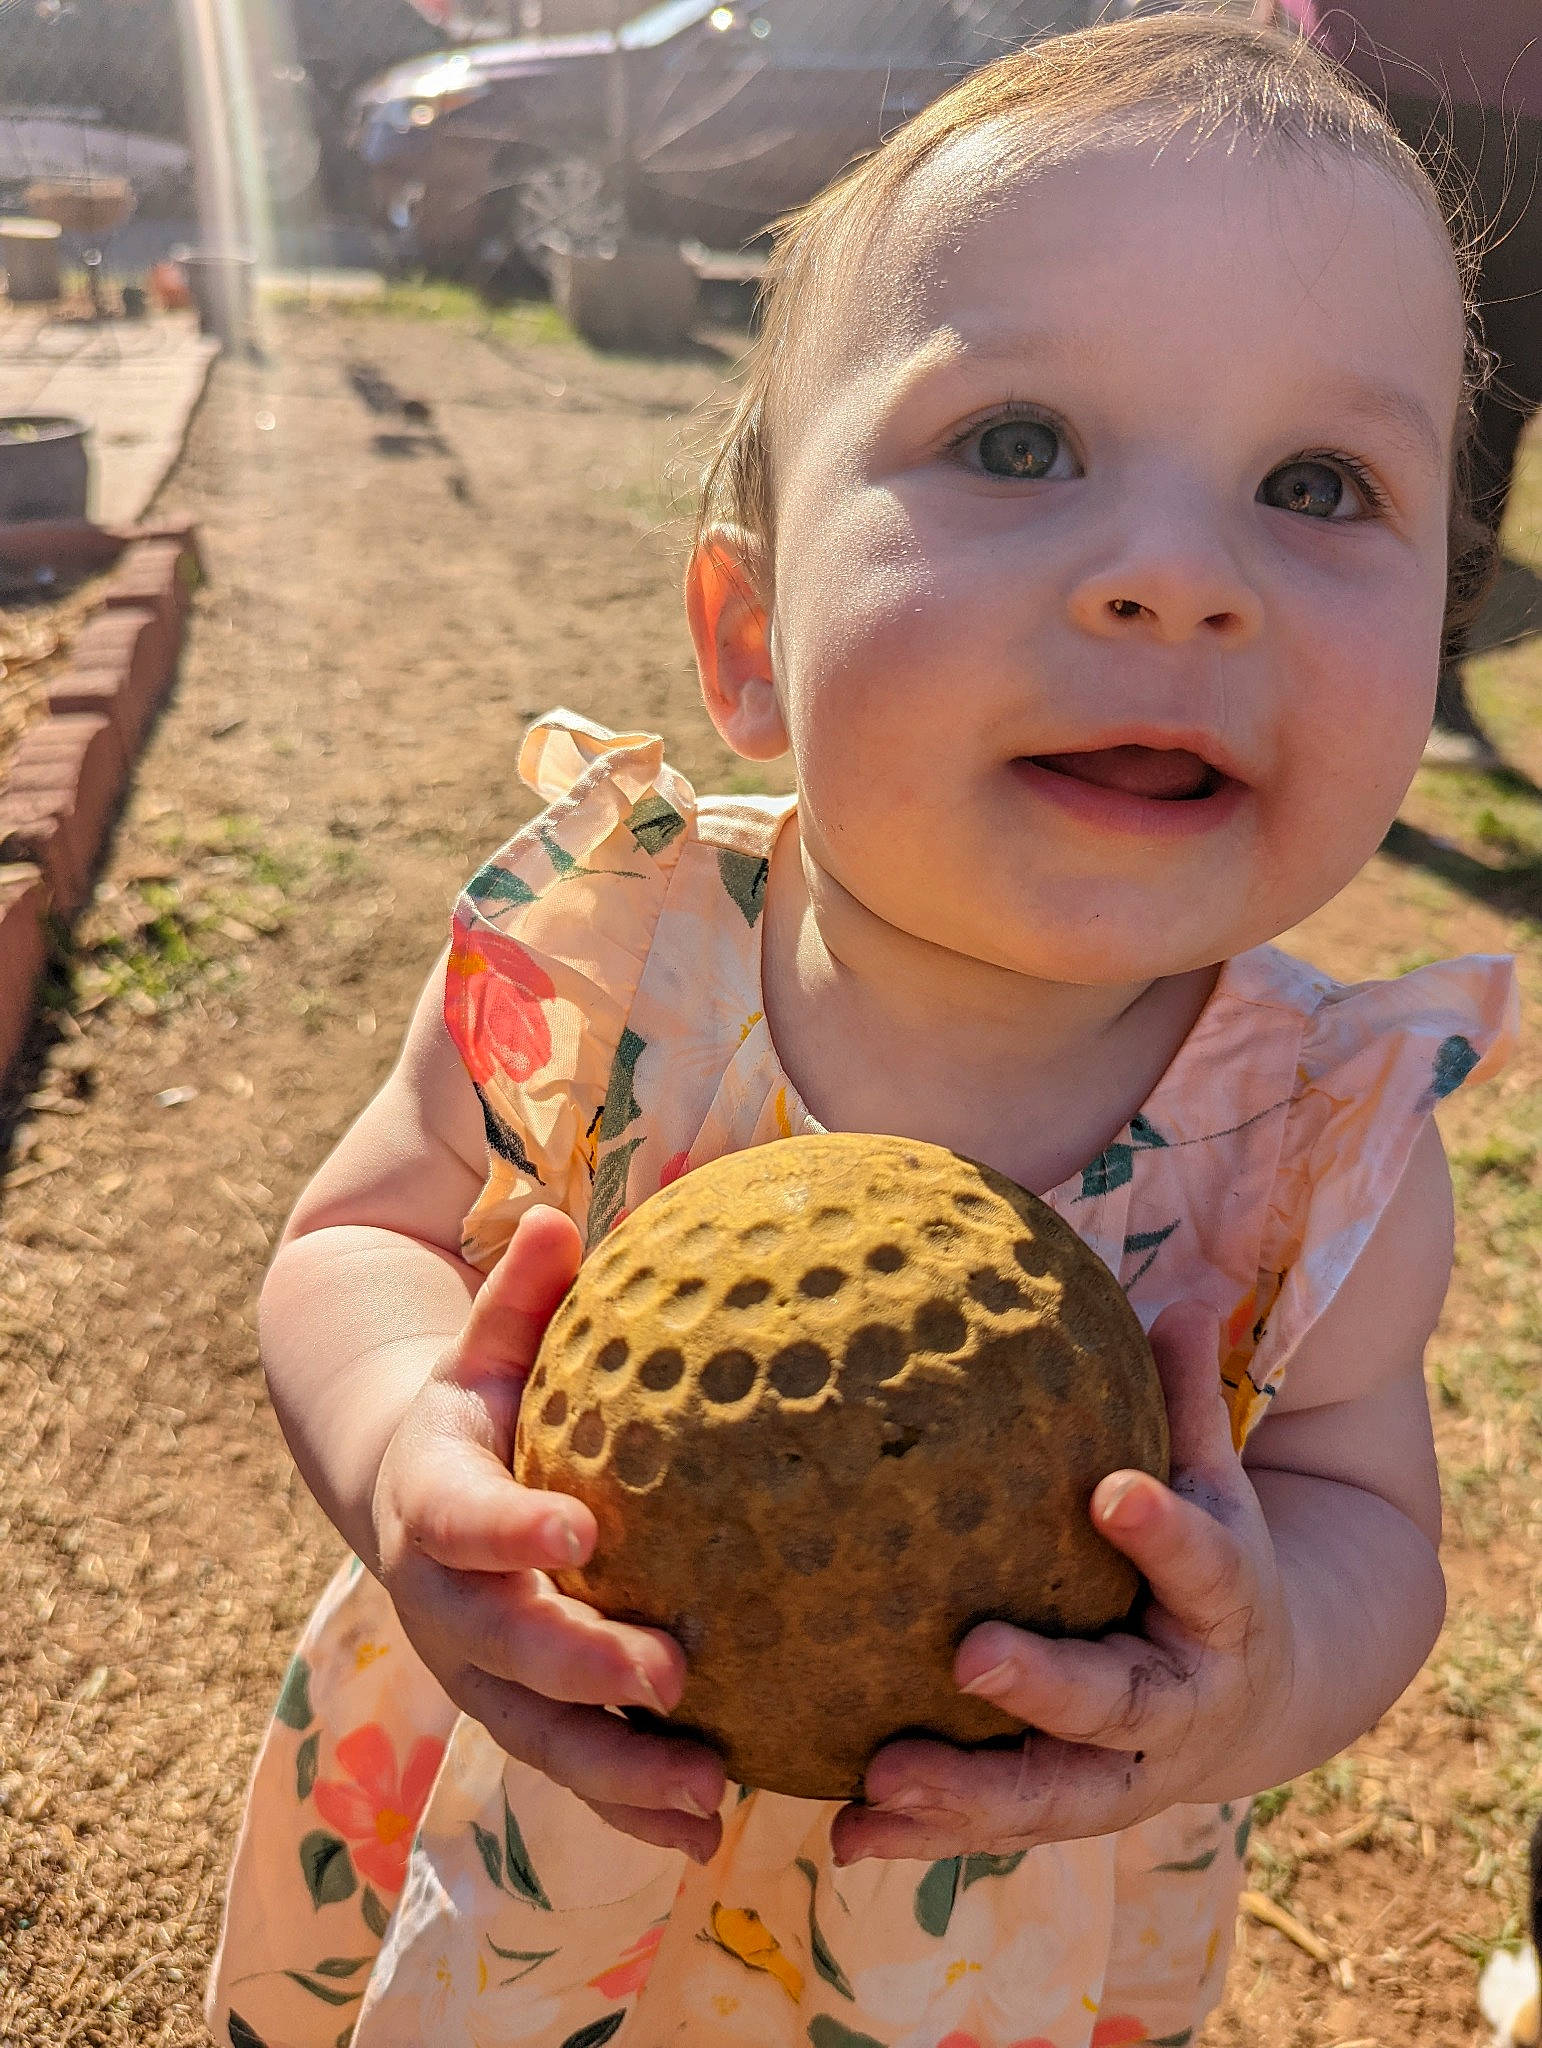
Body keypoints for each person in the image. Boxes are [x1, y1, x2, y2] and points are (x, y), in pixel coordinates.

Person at [206, 18, 1518, 2046]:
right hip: (562, 1807)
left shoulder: (1319, 1136)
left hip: (983, 1917)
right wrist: (405, 1455)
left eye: (1318, 482)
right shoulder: (613, 946)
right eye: (1016, 444)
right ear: (749, 639)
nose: (1179, 579)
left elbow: (1364, 1523)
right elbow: (355, 1239)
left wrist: (1258, 1676)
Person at [1273, 0, 1542, 767]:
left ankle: (1427, 682)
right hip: (1371, 67)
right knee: (1300, 367)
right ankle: (1272, 676)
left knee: (1490, 411)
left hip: (1526, 101)